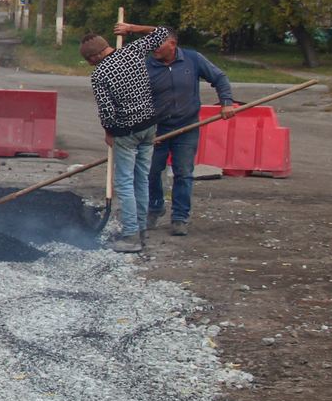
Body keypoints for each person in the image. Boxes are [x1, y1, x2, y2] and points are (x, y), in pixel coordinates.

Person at [80, 22, 171, 253]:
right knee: (141, 179)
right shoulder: (133, 51)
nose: (89, 64)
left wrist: (109, 132)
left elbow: (107, 111)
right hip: (150, 126)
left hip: (126, 132)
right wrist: (132, 29)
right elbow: (162, 32)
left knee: (124, 182)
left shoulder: (100, 74)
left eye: (88, 60)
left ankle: (130, 235)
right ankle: (140, 229)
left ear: (93, 57)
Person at [146, 29, 238, 237]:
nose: (153, 49)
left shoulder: (193, 59)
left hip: (186, 127)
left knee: (184, 173)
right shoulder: (146, 66)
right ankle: (155, 207)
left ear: (172, 44)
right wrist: (144, 128)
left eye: (158, 45)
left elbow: (220, 78)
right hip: (157, 129)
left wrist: (226, 102)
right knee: (151, 171)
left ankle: (180, 217)